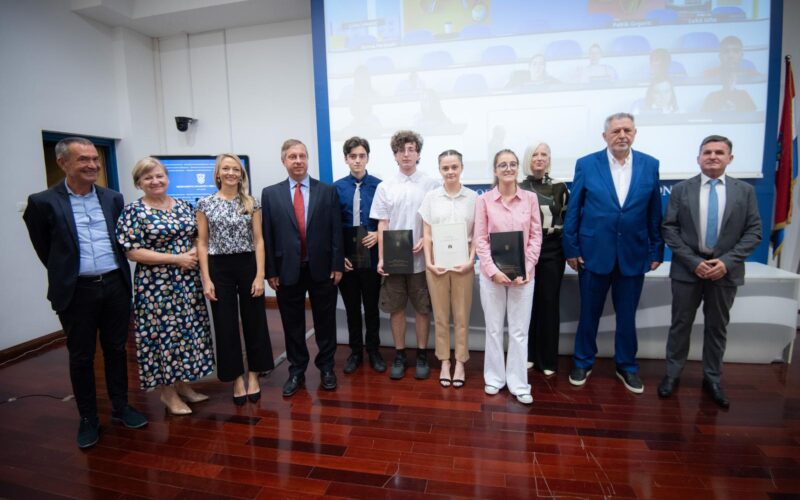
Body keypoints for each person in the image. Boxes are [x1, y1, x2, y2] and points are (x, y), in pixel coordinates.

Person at [23, 137, 148, 449]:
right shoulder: (43, 202)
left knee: (116, 350)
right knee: (81, 356)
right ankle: (89, 418)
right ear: (63, 163)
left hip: (115, 285)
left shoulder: (113, 198)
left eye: (95, 159)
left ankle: (121, 406)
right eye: (84, 159)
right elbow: (46, 250)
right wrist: (70, 275)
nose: (93, 165)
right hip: (76, 291)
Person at [563, 112, 664, 393]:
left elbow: (655, 211)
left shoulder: (649, 165)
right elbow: (574, 210)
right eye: (616, 131)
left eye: (627, 130)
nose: (622, 135)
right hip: (593, 253)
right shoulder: (587, 164)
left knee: (627, 316)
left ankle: (626, 366)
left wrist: (657, 249)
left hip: (634, 253)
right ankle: (582, 362)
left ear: (634, 133)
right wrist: (571, 248)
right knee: (589, 314)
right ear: (605, 135)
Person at [658, 135, 762, 408]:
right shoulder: (682, 190)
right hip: (687, 270)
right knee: (680, 324)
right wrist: (694, 262)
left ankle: (712, 378)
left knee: (717, 327)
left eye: (719, 152)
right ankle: (672, 375)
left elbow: (754, 232)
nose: (713, 156)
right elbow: (669, 228)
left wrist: (726, 262)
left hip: (725, 271)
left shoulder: (744, 191)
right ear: (698, 158)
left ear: (730, 158)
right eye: (707, 152)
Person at [117, 157, 215, 415]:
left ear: (167, 178)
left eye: (159, 176)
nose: (155, 181)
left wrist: (192, 253)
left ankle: (183, 386)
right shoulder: (133, 212)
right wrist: (176, 259)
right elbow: (132, 251)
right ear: (139, 183)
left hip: (187, 282)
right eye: (148, 177)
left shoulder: (183, 206)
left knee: (187, 334)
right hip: (156, 287)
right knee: (163, 338)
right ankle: (167, 393)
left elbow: (198, 237)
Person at [262, 139, 344, 397]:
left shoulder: (327, 191)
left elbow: (336, 230)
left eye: (302, 156)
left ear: (307, 159)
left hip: (322, 269)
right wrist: (270, 271)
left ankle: (327, 368)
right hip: (287, 270)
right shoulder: (270, 193)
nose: (298, 161)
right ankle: (296, 370)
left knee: (325, 322)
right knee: (292, 324)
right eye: (292, 156)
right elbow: (267, 234)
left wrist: (337, 264)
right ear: (283, 161)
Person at [196, 154, 274, 405]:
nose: (231, 173)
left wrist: (260, 275)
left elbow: (259, 240)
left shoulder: (251, 202)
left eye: (236, 169)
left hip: (248, 264)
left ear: (241, 175)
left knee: (255, 321)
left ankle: (254, 374)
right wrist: (206, 279)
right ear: (218, 174)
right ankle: (236, 378)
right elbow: (202, 242)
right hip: (219, 267)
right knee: (225, 323)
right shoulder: (205, 204)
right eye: (226, 169)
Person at [370, 130, 439, 380]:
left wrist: (426, 239)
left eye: (411, 149)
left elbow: (436, 221)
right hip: (394, 260)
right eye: (401, 150)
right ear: (395, 155)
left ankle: (421, 355)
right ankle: (399, 354)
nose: (406, 154)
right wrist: (381, 257)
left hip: (421, 260)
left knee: (422, 308)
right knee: (396, 308)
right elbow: (383, 224)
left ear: (418, 153)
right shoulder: (385, 186)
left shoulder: (431, 185)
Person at [475, 149, 542, 405]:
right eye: (502, 165)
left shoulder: (530, 199)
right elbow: (481, 239)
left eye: (512, 164)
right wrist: (493, 271)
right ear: (495, 170)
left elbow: (535, 237)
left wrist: (526, 268)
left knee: (519, 331)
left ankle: (518, 383)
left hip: (523, 277)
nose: (508, 168)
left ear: (517, 168)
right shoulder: (484, 201)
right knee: (493, 329)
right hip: (492, 277)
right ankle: (494, 378)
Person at [419, 149, 478, 388]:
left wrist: (472, 260)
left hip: (464, 263)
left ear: (461, 168)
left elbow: (477, 234)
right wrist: (429, 262)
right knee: (441, 316)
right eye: (445, 168)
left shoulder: (474, 198)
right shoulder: (431, 198)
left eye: (454, 167)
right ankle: (444, 361)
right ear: (440, 170)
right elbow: (426, 234)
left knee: (462, 316)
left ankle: (460, 362)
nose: (450, 171)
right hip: (437, 264)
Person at [333, 137, 386, 374]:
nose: (357, 160)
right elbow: (332, 225)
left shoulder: (380, 186)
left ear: (367, 158)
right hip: (347, 259)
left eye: (361, 156)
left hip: (372, 256)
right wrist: (339, 256)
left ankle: (373, 351)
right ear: (346, 159)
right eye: (352, 156)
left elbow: (387, 219)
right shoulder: (336, 188)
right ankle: (355, 352)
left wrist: (377, 234)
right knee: (352, 308)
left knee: (372, 307)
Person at [519, 142, 569, 376]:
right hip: (525, 249)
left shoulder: (560, 187)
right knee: (525, 303)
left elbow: (568, 220)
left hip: (551, 249)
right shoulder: (519, 187)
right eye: (535, 155)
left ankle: (547, 359)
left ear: (549, 159)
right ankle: (528, 355)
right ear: (528, 159)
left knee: (549, 302)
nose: (539, 158)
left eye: (544, 155)